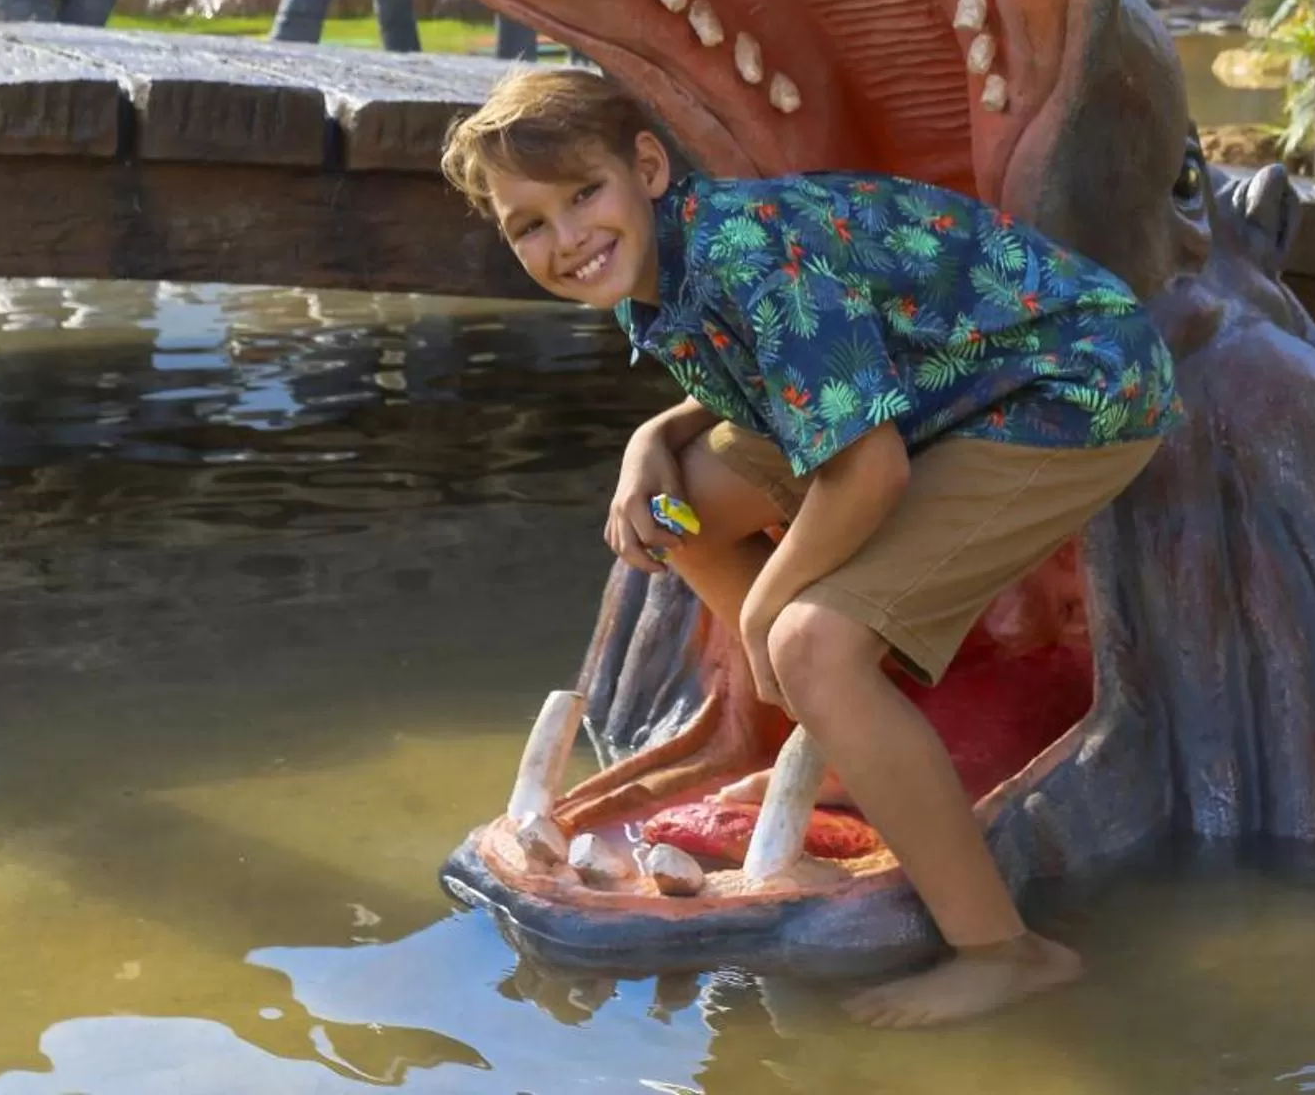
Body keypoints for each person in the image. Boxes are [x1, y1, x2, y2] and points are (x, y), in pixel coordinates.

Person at [442, 68, 1178, 1029]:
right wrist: (646, 446)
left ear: (649, 169)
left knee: (806, 640)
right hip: (929, 383)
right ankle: (789, 725)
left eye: (584, 194)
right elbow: (772, 364)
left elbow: (869, 469)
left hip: (1070, 385)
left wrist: (764, 611)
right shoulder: (655, 268)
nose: (566, 237)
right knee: (676, 514)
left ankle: (1007, 950)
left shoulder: (744, 251)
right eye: (528, 224)